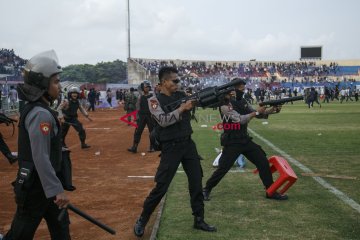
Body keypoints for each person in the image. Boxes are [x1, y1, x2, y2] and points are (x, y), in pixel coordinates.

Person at [133, 67, 216, 237]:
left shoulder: (182, 96)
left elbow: (202, 102)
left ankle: (199, 219)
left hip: (188, 144)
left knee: (196, 182)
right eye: (174, 81)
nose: (178, 83)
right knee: (161, 187)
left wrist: (215, 96)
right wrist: (182, 109)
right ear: (164, 82)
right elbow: (163, 121)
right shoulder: (153, 101)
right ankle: (143, 218)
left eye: (178, 80)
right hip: (170, 148)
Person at [2, 50, 71, 240]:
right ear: (42, 84)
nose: (59, 87)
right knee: (20, 234)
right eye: (56, 82)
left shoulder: (40, 110)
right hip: (36, 188)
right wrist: (56, 190)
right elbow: (40, 156)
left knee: (61, 228)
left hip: (45, 184)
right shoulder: (40, 114)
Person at [203, 78, 289, 202]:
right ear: (232, 89)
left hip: (244, 139)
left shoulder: (243, 101)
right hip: (232, 142)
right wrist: (256, 113)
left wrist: (273, 110)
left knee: (263, 162)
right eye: (240, 88)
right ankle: (206, 189)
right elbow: (240, 119)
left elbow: (256, 113)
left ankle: (270, 190)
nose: (242, 90)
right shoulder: (224, 106)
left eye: (243, 88)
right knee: (223, 168)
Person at [128, 81, 155, 153]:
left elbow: (154, 107)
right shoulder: (140, 97)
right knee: (138, 131)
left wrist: (154, 114)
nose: (147, 88)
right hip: (141, 116)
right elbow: (137, 107)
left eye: (148, 87)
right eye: (146, 87)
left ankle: (152, 147)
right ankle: (134, 147)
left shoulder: (152, 96)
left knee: (152, 132)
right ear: (143, 88)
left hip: (150, 116)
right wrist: (137, 117)